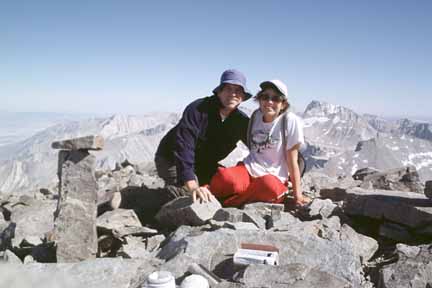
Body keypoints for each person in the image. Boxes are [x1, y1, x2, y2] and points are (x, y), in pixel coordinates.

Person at [209, 79, 310, 207]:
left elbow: (292, 161)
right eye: (265, 97)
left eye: (276, 98)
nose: (269, 102)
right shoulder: (256, 116)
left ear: (283, 104)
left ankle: (228, 203)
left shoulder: (289, 121)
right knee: (225, 176)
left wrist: (298, 195)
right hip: (248, 169)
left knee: (269, 187)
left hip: (273, 177)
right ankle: (206, 192)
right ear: (259, 99)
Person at [155, 69, 251, 202]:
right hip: (172, 159)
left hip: (203, 164)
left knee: (226, 188)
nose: (233, 94)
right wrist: (192, 185)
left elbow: (258, 148)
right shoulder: (197, 109)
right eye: (228, 88)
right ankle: (137, 197)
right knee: (189, 197)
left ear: (243, 96)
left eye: (238, 90)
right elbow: (184, 147)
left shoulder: (241, 122)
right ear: (219, 91)